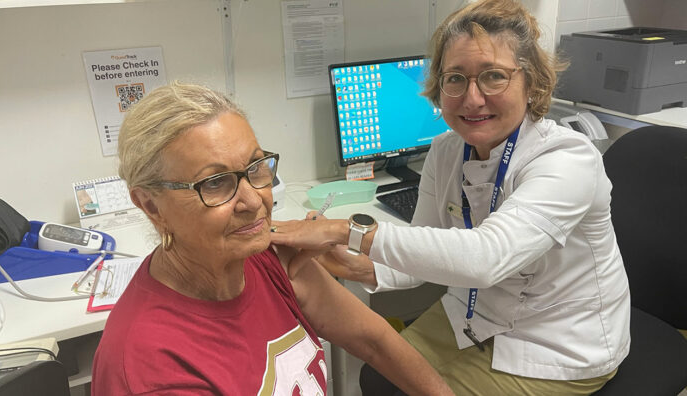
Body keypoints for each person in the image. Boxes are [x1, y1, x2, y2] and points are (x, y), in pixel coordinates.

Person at [270, 0, 631, 394]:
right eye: (455, 78)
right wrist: (356, 266)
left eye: (493, 76)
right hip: (475, 315)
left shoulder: (568, 159)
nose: (471, 98)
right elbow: (426, 249)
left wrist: (343, 232)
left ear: (532, 83)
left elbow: (486, 258)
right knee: (379, 377)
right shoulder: (446, 150)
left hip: (558, 344)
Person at [91, 82, 455, 396]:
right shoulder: (151, 368)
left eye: (255, 168)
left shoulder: (269, 257)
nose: (254, 201)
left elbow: (375, 343)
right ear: (151, 205)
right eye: (215, 183)